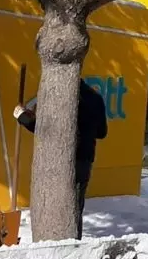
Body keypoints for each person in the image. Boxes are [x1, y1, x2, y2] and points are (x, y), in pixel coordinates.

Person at [13, 79, 108, 237]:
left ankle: (57, 243)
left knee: (55, 207)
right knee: (75, 207)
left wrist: (22, 116)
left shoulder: (61, 97)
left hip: (60, 162)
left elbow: (49, 131)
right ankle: (74, 241)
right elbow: (102, 132)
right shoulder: (95, 98)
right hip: (85, 160)